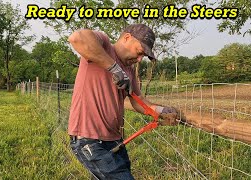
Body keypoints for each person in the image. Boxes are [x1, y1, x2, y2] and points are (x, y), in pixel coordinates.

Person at [68, 24, 179, 180]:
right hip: (89, 139)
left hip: (114, 139)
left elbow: (138, 100)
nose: (140, 59)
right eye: (140, 52)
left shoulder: (130, 70)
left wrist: (161, 111)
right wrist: (114, 68)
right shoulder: (105, 46)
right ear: (127, 38)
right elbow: (77, 38)